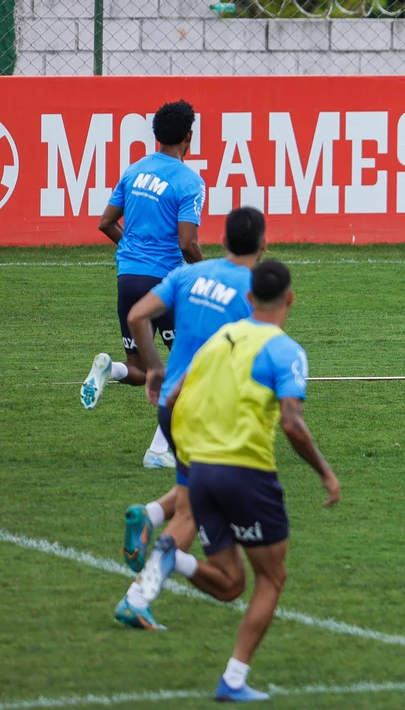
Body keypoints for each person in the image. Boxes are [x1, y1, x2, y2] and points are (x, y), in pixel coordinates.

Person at [137, 260, 340, 701]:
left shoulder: (216, 341)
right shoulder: (286, 350)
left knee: (230, 585)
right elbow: (292, 424)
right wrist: (325, 472)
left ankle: (175, 556)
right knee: (271, 579)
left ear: (250, 299)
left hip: (202, 474)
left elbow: (173, 398)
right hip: (247, 474)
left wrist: (188, 459)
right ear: (290, 298)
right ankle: (233, 680)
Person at [114, 206, 267, 631]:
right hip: (209, 410)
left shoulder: (186, 275)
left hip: (171, 405)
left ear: (223, 241)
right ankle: (138, 596)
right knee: (196, 507)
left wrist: (156, 368)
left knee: (191, 495)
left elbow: (137, 316)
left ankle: (148, 516)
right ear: (263, 244)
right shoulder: (253, 289)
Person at [82, 99, 206, 471]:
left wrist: (134, 252)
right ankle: (158, 449)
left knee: (139, 368)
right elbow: (187, 243)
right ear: (189, 136)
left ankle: (109, 368)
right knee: (192, 365)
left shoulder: (135, 170)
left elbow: (105, 223)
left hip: (128, 279)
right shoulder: (189, 180)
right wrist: (206, 272)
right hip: (164, 283)